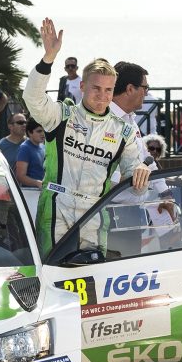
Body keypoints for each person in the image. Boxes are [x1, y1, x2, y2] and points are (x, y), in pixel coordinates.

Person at [25, 19, 148, 254]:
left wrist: (141, 173)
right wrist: (48, 58)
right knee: (54, 273)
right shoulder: (62, 116)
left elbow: (136, 185)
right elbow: (33, 98)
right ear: (82, 86)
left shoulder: (124, 131)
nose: (102, 95)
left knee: (91, 275)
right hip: (55, 209)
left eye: (108, 90)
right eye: (96, 88)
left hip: (94, 215)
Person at [14, 120, 47, 188]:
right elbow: (20, 176)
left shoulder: (43, 147)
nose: (43, 134)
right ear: (30, 133)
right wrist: (37, 183)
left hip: (42, 191)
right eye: (39, 131)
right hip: (29, 192)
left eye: (44, 131)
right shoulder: (25, 148)